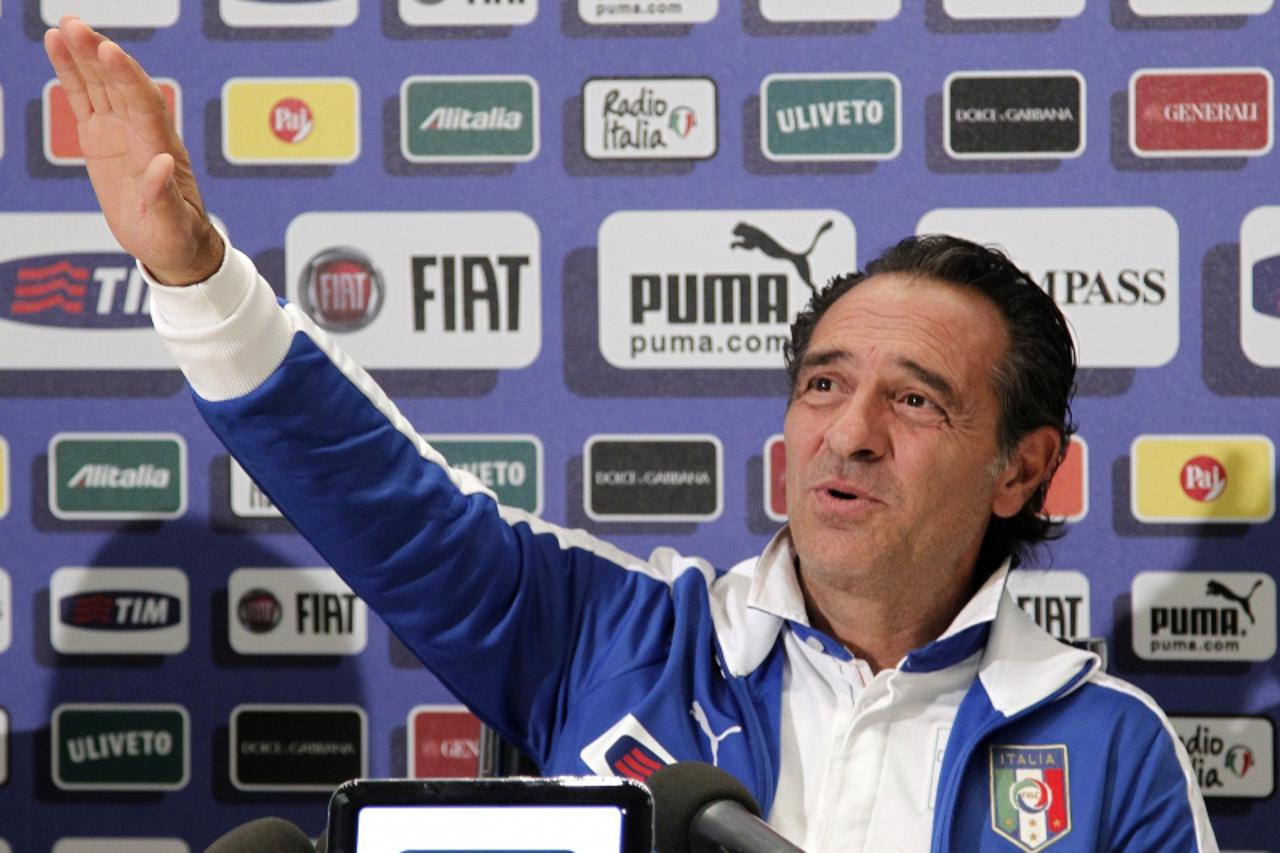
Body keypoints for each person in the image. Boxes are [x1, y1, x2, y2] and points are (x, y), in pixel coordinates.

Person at [45, 16, 1217, 852]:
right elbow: (385, 507)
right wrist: (193, 272)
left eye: (913, 401)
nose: (845, 435)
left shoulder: (1110, 750)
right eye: (821, 386)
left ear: (1022, 468)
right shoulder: (610, 632)